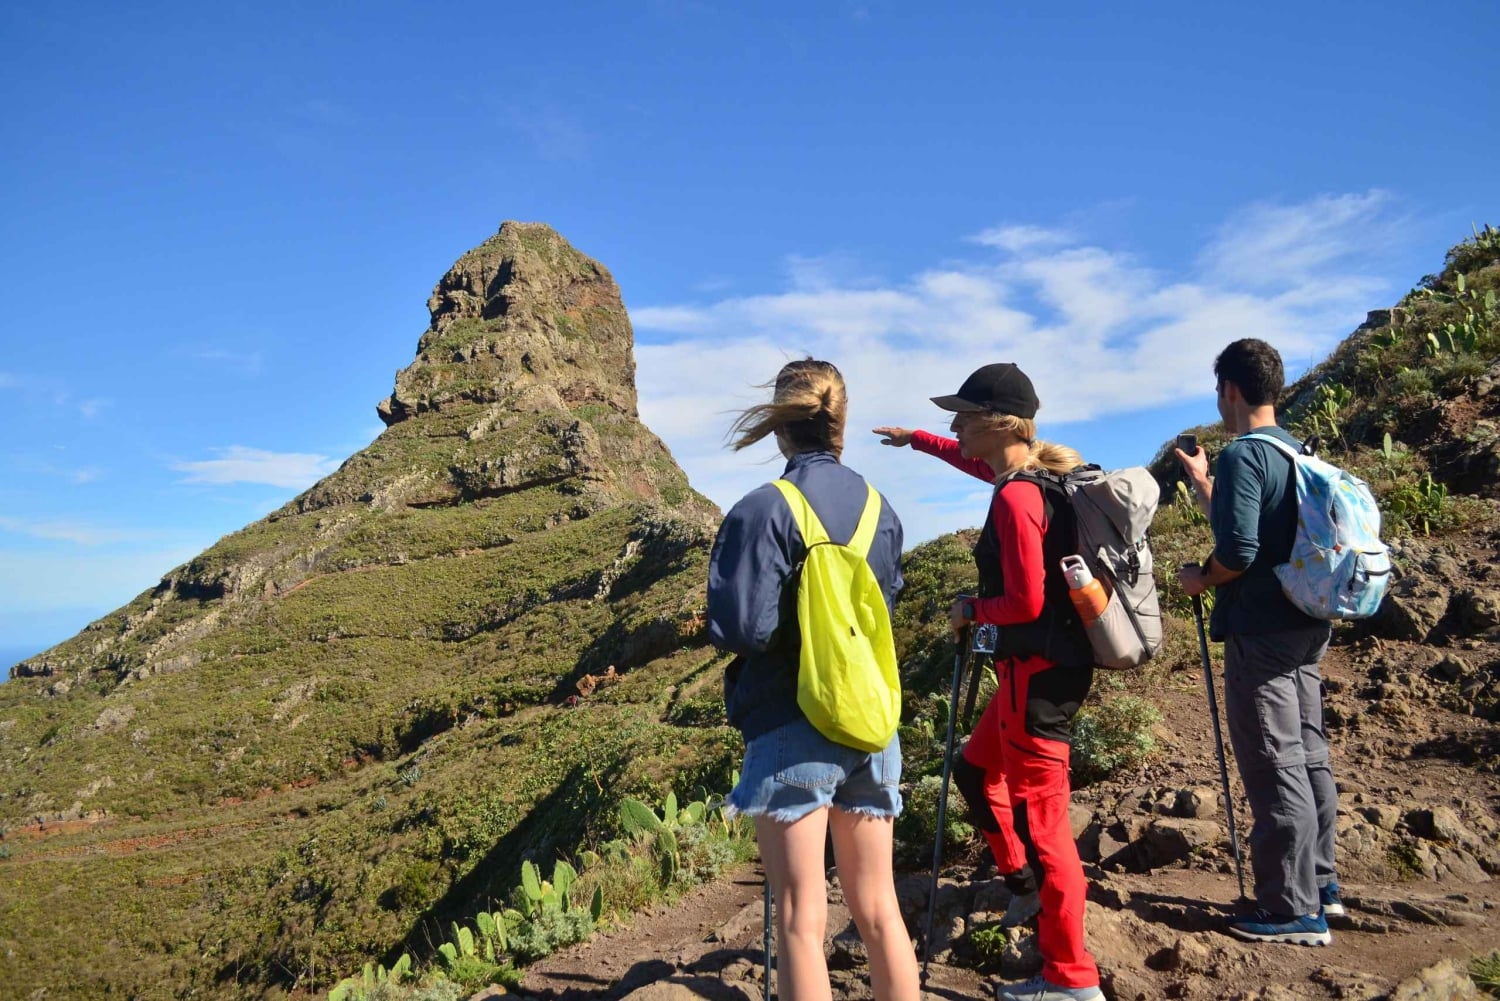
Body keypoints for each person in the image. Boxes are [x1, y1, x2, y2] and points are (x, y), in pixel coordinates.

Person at [874, 362, 1102, 1001]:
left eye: (965, 416)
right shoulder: (1027, 479)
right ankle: (1023, 886)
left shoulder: (1018, 496)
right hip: (1030, 676)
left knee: (1046, 827)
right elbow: (969, 461)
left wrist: (969, 609)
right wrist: (918, 439)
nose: (957, 424)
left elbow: (1026, 602)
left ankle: (1071, 978)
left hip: (1037, 681)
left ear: (1000, 424)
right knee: (975, 771)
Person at [707, 359, 918, 1001]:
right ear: (841, 424)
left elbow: (743, 629)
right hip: (870, 724)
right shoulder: (880, 510)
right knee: (879, 907)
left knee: (801, 918)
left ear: (780, 427)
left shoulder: (765, 509)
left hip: (789, 721)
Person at [1174, 338, 1341, 946]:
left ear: (1231, 391)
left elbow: (1239, 553)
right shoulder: (1294, 449)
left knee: (1274, 762)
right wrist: (1202, 484)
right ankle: (1322, 885)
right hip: (1305, 622)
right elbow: (1259, 531)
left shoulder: (1245, 453)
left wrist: (1202, 578)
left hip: (1262, 630)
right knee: (1308, 753)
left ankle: (1290, 908)